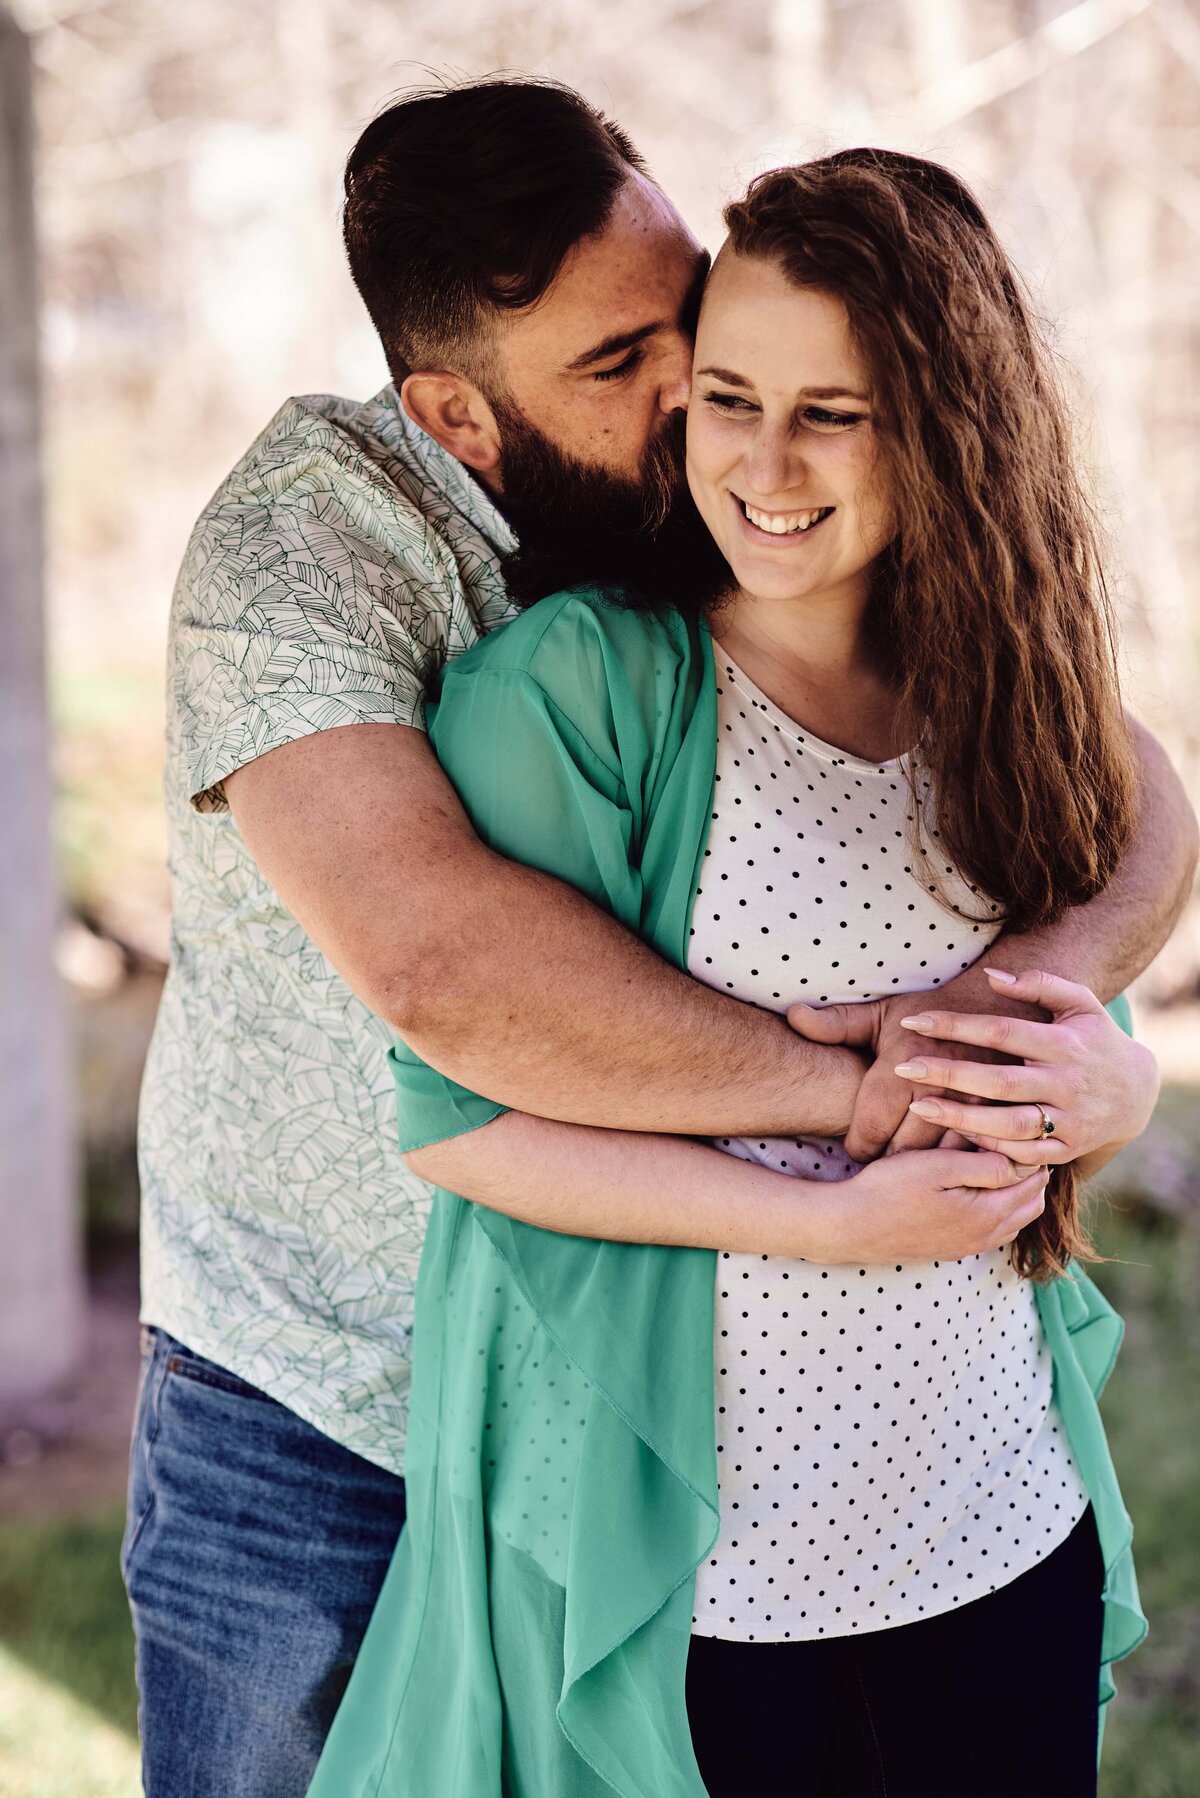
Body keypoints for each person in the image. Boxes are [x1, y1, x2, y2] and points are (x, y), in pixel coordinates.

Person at [126, 80, 1194, 1797]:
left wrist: (1057, 1039)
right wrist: (856, 1097)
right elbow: (451, 987)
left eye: (686, 314)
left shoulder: (736, 522)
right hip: (325, 1391)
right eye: (625, 364)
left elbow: (1124, 787)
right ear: (459, 415)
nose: (698, 390)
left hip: (681, 1402)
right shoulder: (310, 559)